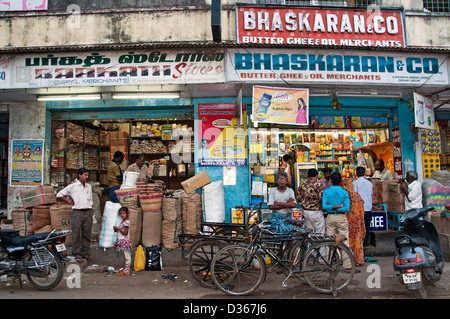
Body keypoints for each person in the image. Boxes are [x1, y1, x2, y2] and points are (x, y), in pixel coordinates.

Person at [57, 168, 94, 263]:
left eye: (87, 175)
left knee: (87, 233)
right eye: (85, 175)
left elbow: (90, 199)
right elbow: (59, 194)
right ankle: (77, 254)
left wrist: (92, 207)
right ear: (79, 175)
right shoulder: (73, 186)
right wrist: (69, 201)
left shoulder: (89, 186)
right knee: (76, 233)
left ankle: (85, 253)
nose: (87, 177)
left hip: (88, 211)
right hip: (77, 211)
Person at [322, 172, 352, 270]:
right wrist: (339, 207)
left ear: (330, 180)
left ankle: (328, 263)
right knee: (345, 240)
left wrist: (332, 207)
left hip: (330, 217)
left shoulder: (326, 192)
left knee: (329, 240)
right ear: (340, 181)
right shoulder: (344, 192)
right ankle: (347, 265)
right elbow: (346, 208)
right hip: (341, 218)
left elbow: (324, 206)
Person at [342, 177, 366, 266]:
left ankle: (346, 260)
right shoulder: (356, 196)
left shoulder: (342, 195)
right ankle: (357, 260)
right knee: (357, 240)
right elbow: (361, 207)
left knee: (346, 240)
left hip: (346, 221)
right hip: (356, 221)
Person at [297, 168, 325, 234]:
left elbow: (298, 198)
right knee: (320, 231)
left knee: (310, 231)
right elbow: (321, 197)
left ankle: (310, 244)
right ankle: (319, 244)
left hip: (306, 211)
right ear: (316, 175)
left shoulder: (302, 184)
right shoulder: (318, 184)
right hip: (316, 211)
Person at [353, 166, 373, 246]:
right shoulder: (369, 183)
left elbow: (355, 195)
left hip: (359, 207)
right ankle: (365, 242)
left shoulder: (355, 183)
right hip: (368, 207)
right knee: (366, 226)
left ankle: (359, 242)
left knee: (359, 226)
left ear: (356, 173)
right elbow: (371, 194)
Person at [113, 207, 132, 276]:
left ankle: (126, 271)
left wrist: (118, 228)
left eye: (123, 213)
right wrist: (116, 229)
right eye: (120, 214)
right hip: (122, 241)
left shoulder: (126, 222)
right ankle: (125, 269)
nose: (122, 215)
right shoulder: (122, 222)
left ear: (127, 214)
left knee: (127, 256)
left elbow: (125, 233)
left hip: (125, 241)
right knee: (125, 256)